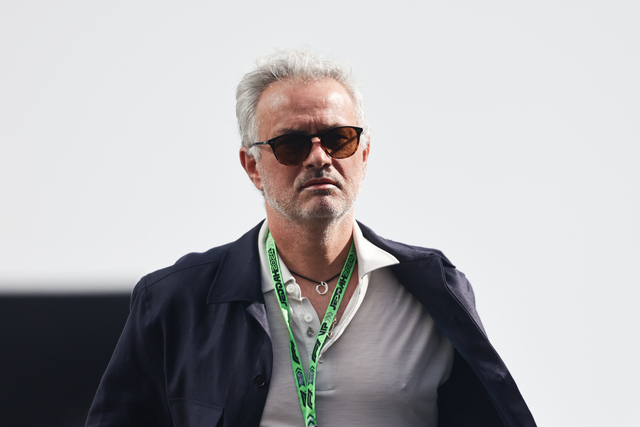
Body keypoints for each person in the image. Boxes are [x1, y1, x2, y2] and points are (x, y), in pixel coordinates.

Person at [86, 49, 536, 427]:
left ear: (364, 153)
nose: (319, 157)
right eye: (292, 144)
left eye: (338, 139)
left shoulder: (434, 289)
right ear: (252, 167)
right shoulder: (175, 301)